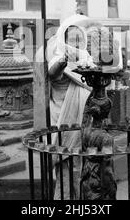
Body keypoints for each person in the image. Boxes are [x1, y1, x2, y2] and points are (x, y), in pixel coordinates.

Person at [46, 14, 100, 200]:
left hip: (85, 126)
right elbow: (53, 72)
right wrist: (63, 61)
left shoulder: (86, 60)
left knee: (85, 174)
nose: (76, 42)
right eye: (72, 39)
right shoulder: (58, 57)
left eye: (79, 38)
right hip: (65, 125)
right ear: (63, 39)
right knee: (67, 175)